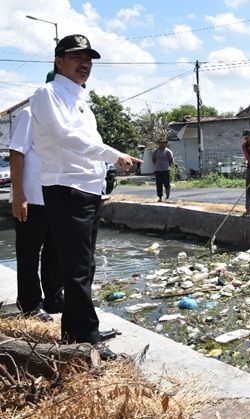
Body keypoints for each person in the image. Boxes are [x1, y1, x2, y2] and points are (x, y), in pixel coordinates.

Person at [30, 34, 141, 360]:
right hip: (66, 188)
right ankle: (84, 336)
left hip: (88, 190)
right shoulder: (48, 94)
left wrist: (105, 169)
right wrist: (112, 154)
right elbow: (67, 137)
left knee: (85, 265)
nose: (84, 64)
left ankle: (77, 327)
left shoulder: (80, 99)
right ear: (58, 60)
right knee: (76, 267)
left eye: (89, 59)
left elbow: (83, 142)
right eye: (77, 57)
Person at [9, 71, 63, 322]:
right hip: (31, 198)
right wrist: (19, 196)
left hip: (54, 196)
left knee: (55, 251)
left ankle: (53, 297)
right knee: (29, 252)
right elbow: (17, 154)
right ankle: (29, 304)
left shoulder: (59, 119)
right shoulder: (29, 114)